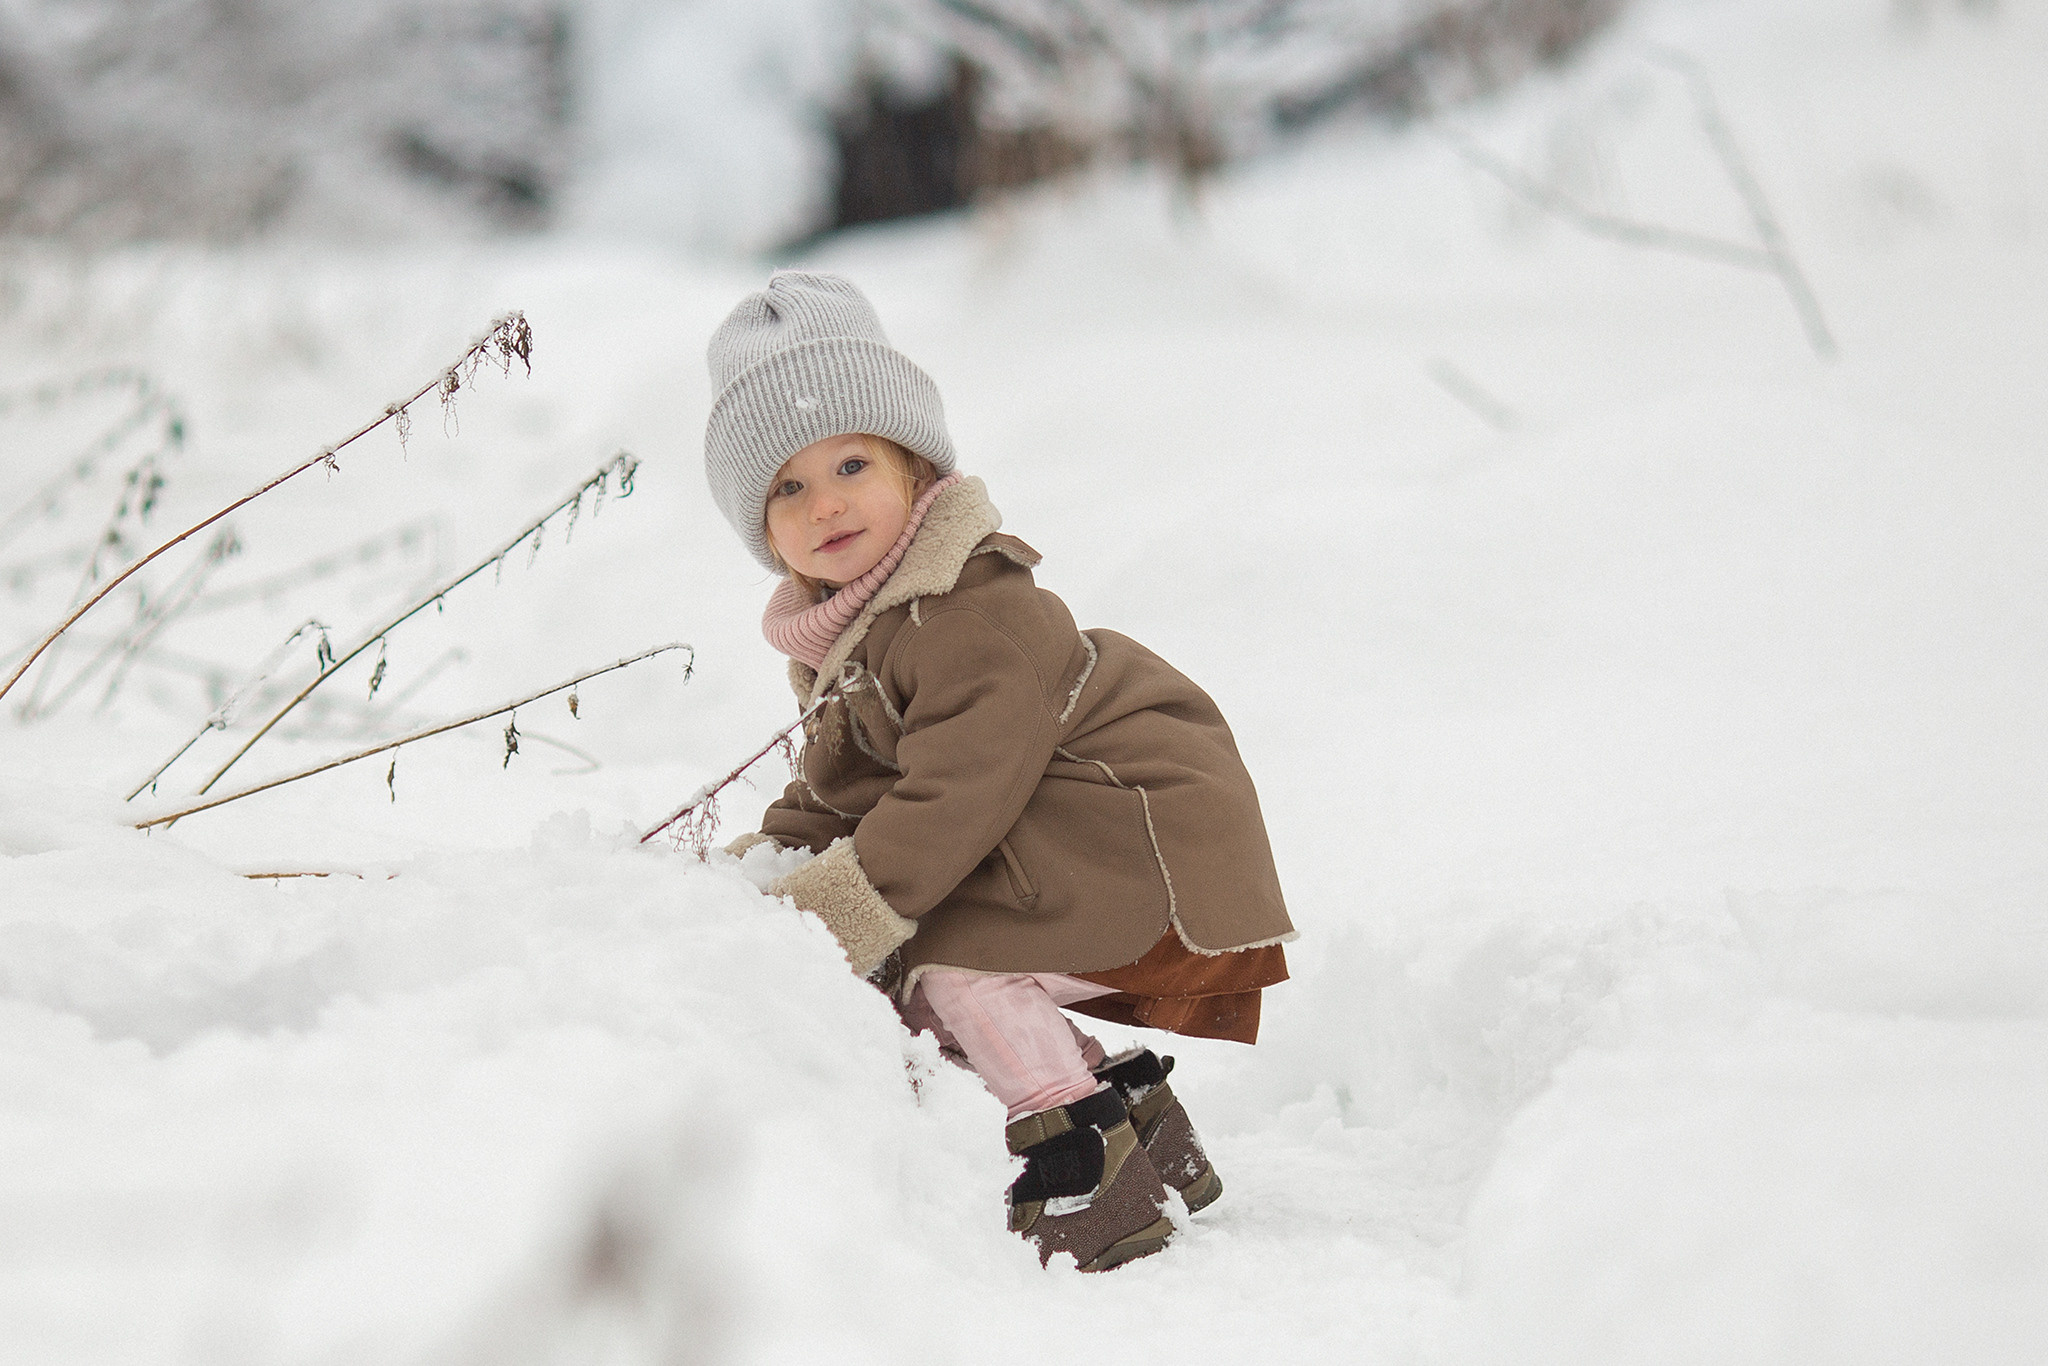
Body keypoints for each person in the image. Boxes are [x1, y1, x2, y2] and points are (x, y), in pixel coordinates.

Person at [705, 270, 1295, 1271]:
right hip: (1071, 840)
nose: (825, 504)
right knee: (924, 955)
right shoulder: (858, 629)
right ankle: (1139, 1123)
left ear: (915, 468)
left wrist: (835, 912)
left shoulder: (967, 610)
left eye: (851, 464)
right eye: (787, 488)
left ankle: (1080, 1161)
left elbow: (952, 794)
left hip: (1146, 839)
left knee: (947, 963)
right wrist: (765, 862)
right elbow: (842, 786)